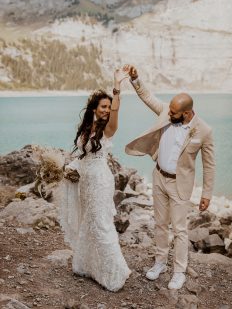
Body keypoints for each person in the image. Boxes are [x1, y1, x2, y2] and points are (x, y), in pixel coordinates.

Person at [125, 65, 215, 290]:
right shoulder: (167, 111)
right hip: (159, 178)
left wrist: (207, 194)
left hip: (179, 185)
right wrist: (136, 79)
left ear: (186, 113)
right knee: (160, 224)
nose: (169, 114)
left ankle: (179, 271)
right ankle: (160, 263)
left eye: (174, 113)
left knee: (180, 230)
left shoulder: (204, 131)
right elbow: (147, 97)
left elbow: (209, 165)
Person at [59, 68, 131, 292]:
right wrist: (71, 167)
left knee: (101, 224)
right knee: (88, 222)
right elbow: (83, 157)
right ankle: (89, 266)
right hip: (85, 182)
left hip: (100, 181)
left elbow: (116, 110)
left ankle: (114, 272)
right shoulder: (87, 128)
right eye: (103, 106)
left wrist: (117, 87)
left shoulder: (109, 128)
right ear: (93, 108)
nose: (107, 110)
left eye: (109, 107)